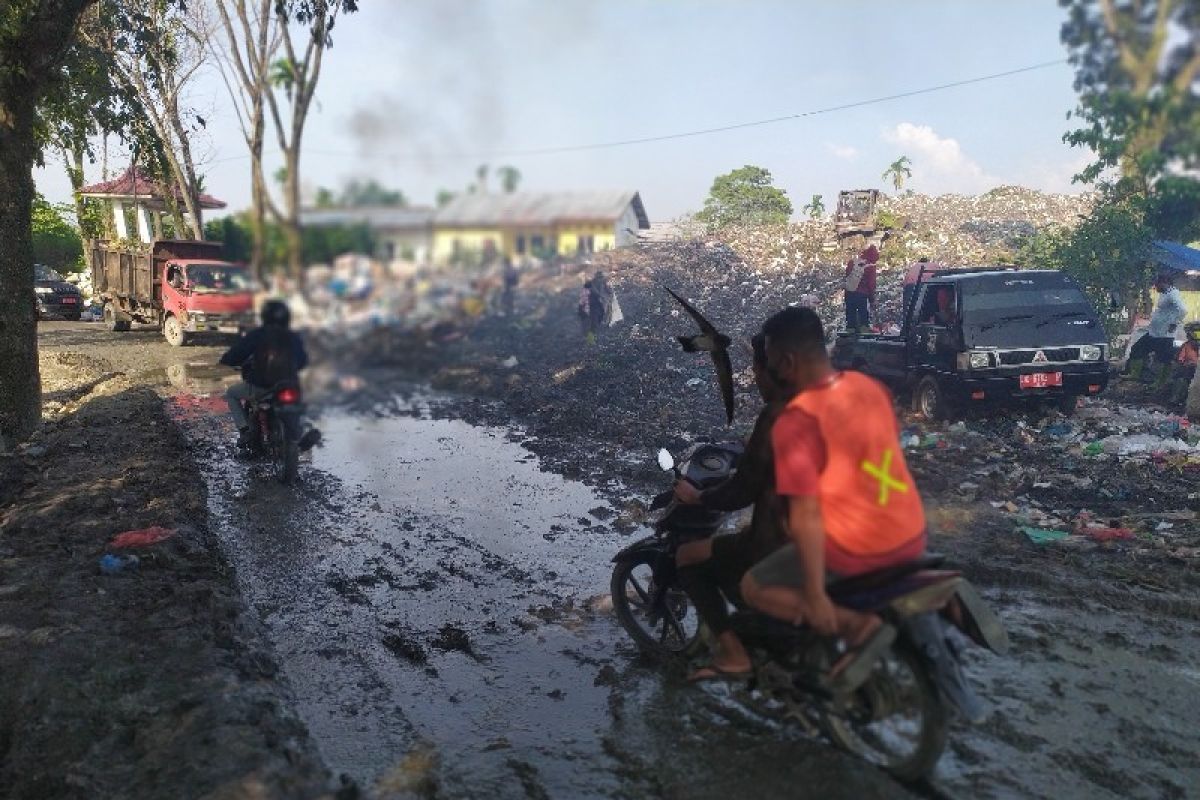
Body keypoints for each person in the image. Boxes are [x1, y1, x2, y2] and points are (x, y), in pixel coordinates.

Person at [740, 306, 927, 692]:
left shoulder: (796, 422)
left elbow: (805, 517)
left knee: (753, 587)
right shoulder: (867, 387)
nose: (769, 372)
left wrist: (814, 595)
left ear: (787, 362)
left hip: (862, 549)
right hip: (911, 532)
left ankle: (855, 626)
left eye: (772, 362)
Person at [673, 334, 788, 682]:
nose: (755, 377)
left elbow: (742, 491)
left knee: (688, 557)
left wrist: (699, 497)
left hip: (783, 540)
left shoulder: (779, 413)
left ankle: (735, 653)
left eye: (756, 369)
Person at [220, 300, 309, 449]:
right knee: (297, 404)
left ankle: (245, 430)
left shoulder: (258, 335)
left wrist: (227, 360)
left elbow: (237, 354)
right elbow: (303, 361)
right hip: (288, 385)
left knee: (231, 393)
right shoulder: (293, 336)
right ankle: (299, 433)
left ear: (265, 316)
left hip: (261, 387)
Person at [1124, 273, 1188, 382]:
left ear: (1164, 283)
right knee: (1137, 349)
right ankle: (1136, 374)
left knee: (1163, 358)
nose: (1155, 286)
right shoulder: (1165, 293)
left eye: (1157, 284)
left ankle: (1160, 381)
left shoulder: (1173, 294)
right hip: (1155, 332)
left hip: (1164, 334)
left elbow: (1183, 310)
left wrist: (1174, 323)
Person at [843, 245, 878, 333]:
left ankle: (850, 332)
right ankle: (864, 332)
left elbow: (847, 275)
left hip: (849, 292)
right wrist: (872, 298)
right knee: (863, 314)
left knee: (851, 314)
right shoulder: (871, 266)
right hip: (862, 294)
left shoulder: (852, 262)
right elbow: (871, 284)